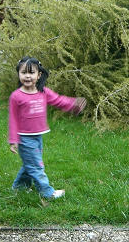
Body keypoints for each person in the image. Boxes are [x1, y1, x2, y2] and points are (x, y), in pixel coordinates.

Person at [8, 56, 86, 199]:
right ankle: (47, 192)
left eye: (31, 73)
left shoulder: (43, 92)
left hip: (38, 136)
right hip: (24, 138)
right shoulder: (16, 96)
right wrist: (13, 139)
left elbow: (58, 100)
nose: (27, 76)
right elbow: (13, 118)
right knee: (36, 166)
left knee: (30, 163)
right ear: (18, 74)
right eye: (23, 72)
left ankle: (19, 187)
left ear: (39, 75)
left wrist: (73, 104)